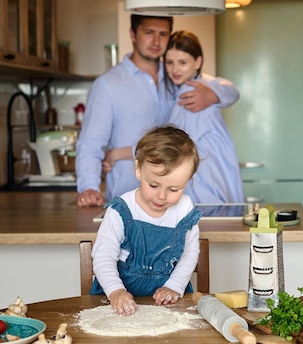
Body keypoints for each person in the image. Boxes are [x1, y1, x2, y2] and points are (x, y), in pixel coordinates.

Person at [75, 14, 239, 208]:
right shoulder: (108, 84)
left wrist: (213, 95)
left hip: (173, 201)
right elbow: (90, 144)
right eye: (149, 33)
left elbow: (230, 90)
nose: (156, 41)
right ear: (133, 35)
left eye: (163, 34)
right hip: (128, 199)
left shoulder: (175, 74)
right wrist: (89, 187)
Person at [90, 126, 201, 316]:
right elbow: (103, 256)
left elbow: (190, 253)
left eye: (174, 189)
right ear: (138, 170)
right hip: (114, 299)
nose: (162, 196)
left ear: (188, 180)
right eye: (154, 185)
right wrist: (116, 291)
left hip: (168, 299)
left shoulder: (184, 209)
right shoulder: (121, 210)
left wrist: (174, 287)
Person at [164, 30, 244, 204]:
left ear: (198, 62)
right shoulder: (200, 85)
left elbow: (171, 144)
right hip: (217, 178)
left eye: (182, 62)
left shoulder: (192, 92)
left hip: (205, 182)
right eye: (169, 62)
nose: (175, 69)